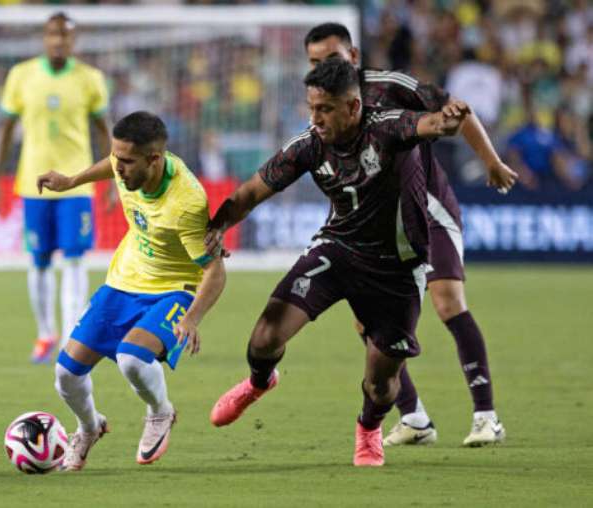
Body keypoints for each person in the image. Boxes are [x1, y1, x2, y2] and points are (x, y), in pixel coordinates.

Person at [207, 58, 470, 467]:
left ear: (352, 106)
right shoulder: (309, 144)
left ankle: (369, 428)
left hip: (397, 270)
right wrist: (218, 226)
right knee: (263, 338)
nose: (316, 118)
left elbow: (432, 125)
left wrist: (450, 120)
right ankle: (260, 382)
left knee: (382, 384)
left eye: (325, 109)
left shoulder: (386, 127)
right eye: (312, 108)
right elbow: (251, 193)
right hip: (338, 251)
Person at [303, 22, 516, 446]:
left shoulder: (389, 86)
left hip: (427, 210)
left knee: (447, 300)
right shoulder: (320, 103)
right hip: (377, 227)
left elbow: (458, 108)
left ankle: (486, 417)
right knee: (366, 319)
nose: (322, 68)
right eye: (314, 62)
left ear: (354, 57)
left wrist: (490, 161)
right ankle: (415, 418)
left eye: (331, 59)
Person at [37, 111, 226, 471]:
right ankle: (89, 427)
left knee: (132, 359)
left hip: (174, 288)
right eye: (116, 157)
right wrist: (71, 180)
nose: (118, 169)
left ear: (154, 160)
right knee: (65, 374)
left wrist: (192, 318)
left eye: (126, 161)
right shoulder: (128, 165)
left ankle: (160, 412)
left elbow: (215, 270)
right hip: (124, 281)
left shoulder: (186, 203)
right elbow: (110, 163)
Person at [0, 12, 111, 363]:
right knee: (39, 260)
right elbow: (6, 129)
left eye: (66, 36)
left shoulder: (90, 79)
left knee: (74, 259)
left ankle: (71, 335)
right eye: (53, 35)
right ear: (45, 38)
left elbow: (104, 129)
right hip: (33, 183)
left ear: (75, 41)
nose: (59, 41)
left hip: (77, 184)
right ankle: (45, 333)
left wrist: (113, 179)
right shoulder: (21, 75)